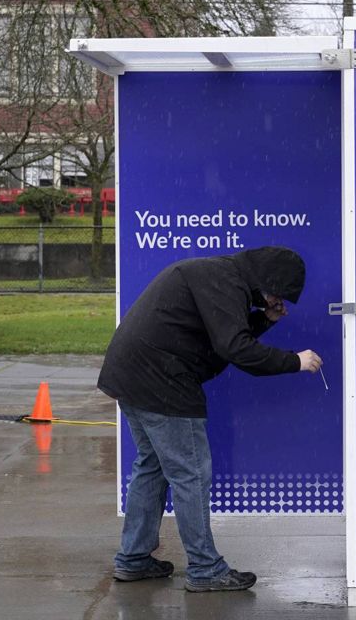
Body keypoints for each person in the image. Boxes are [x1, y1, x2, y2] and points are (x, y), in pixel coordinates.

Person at [97, 246, 323, 593]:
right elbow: (235, 348)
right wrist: (295, 361)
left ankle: (134, 558)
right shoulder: (224, 283)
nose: (276, 299)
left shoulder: (220, 275)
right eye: (277, 293)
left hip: (132, 375)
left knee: (153, 466)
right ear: (267, 280)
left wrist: (265, 318)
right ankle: (205, 569)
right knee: (191, 474)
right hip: (162, 382)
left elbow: (224, 336)